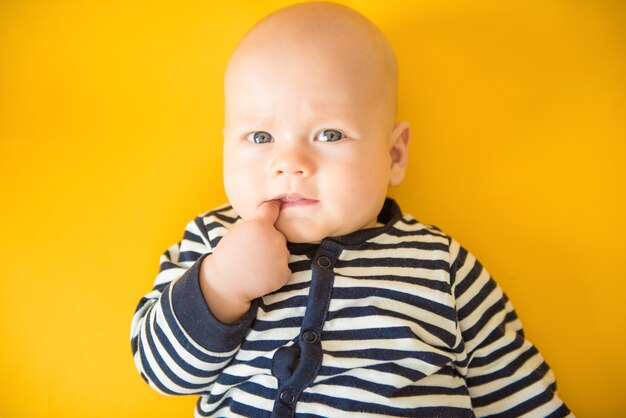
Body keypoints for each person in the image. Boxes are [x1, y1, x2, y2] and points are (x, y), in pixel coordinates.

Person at [130, 2, 571, 417]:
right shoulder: (212, 242)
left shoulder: (442, 267)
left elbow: (521, 397)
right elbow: (161, 372)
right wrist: (221, 287)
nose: (291, 164)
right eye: (261, 138)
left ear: (394, 155)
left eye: (330, 134)